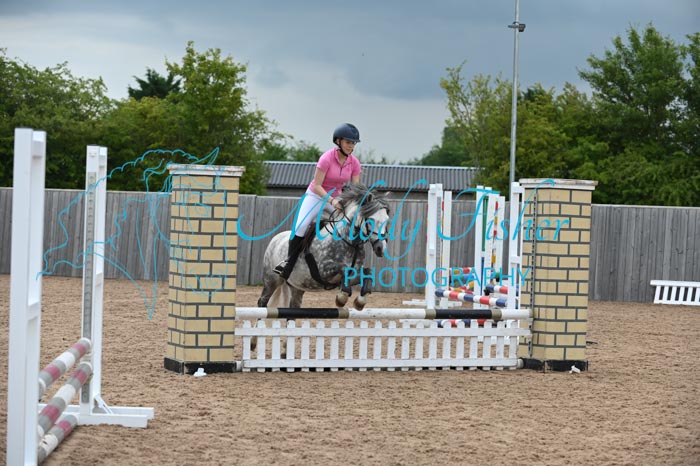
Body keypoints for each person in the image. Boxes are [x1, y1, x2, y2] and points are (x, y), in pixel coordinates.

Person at [273, 123, 363, 279]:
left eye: (353, 143)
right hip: (315, 196)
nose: (351, 146)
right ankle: (288, 263)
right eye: (348, 142)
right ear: (338, 141)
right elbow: (317, 186)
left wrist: (355, 202)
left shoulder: (354, 163)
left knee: (349, 224)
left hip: (336, 197)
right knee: (301, 226)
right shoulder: (326, 158)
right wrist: (332, 201)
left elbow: (356, 188)